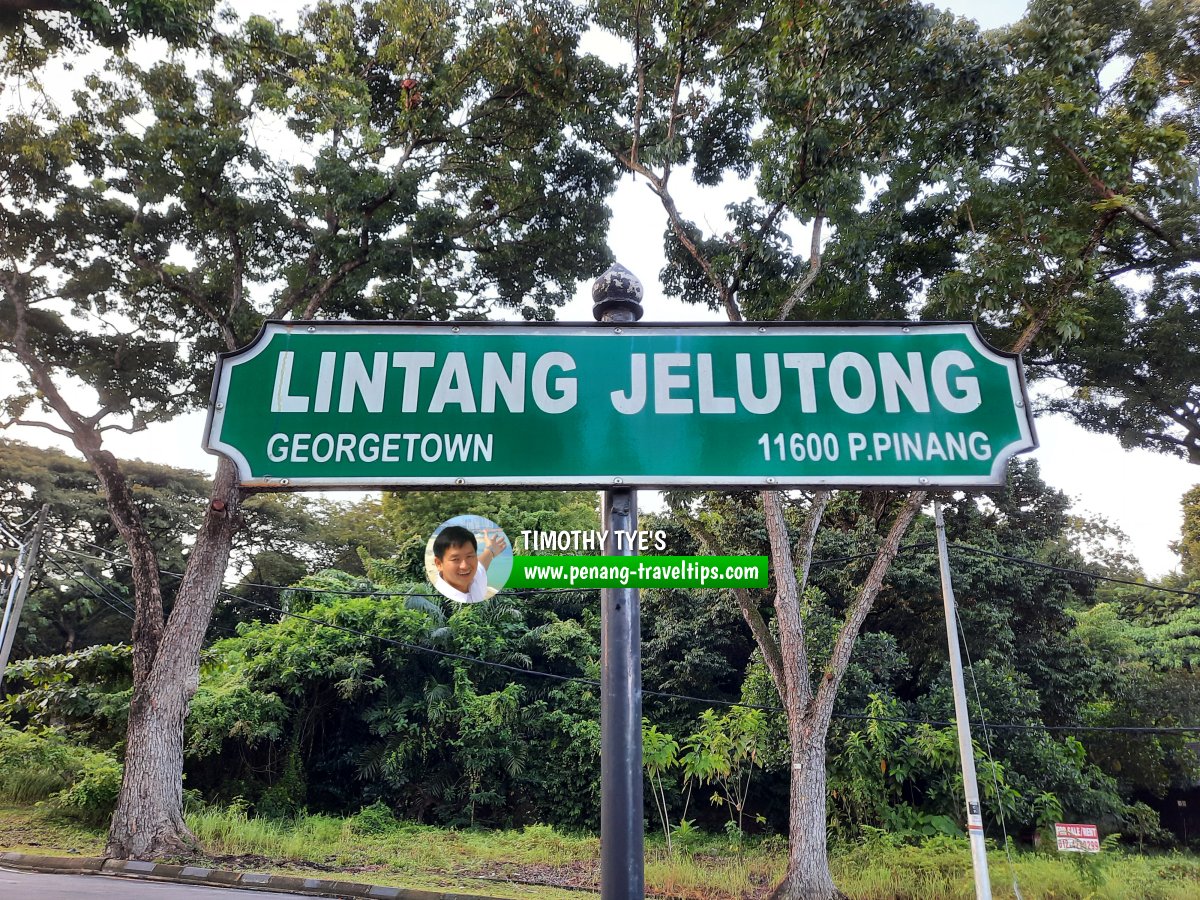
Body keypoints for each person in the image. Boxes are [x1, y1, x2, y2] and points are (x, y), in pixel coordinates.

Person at [431, 524, 507, 603]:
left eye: (469, 556)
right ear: (439, 563)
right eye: (456, 559)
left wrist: (491, 550)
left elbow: (482, 563)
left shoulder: (475, 576)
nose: (465, 566)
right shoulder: (441, 601)